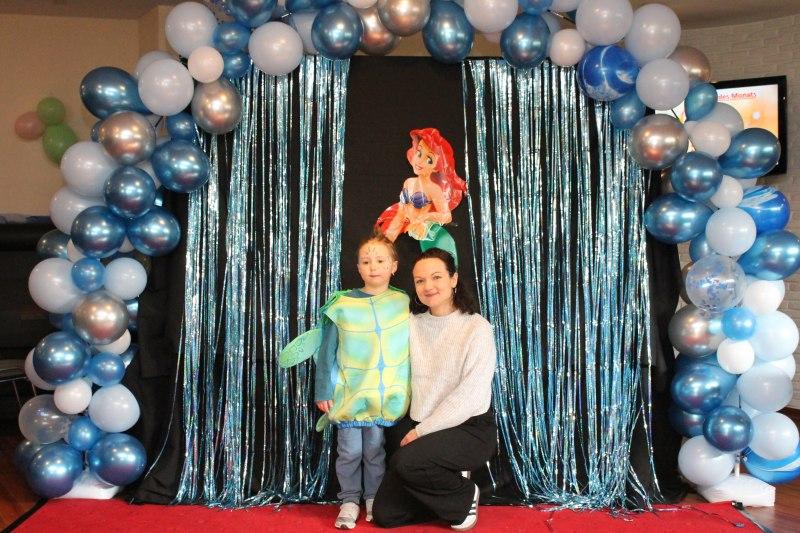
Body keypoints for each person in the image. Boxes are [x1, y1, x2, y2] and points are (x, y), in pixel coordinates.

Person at [372, 248, 497, 531]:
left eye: (436, 277)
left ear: (454, 279)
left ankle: (464, 495)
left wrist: (421, 432)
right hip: (420, 424)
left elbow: (471, 396)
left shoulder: (477, 328)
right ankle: (445, 482)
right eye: (420, 281)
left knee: (406, 462)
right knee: (386, 515)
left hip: (468, 428)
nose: (428, 286)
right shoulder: (411, 323)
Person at [312, 234, 411, 529]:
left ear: (394, 266)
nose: (373, 266)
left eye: (380, 260)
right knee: (349, 451)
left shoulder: (401, 302)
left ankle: (373, 498)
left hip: (381, 396)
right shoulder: (343, 304)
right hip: (349, 393)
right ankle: (349, 500)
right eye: (366, 262)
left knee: (375, 451)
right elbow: (327, 350)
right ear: (357, 267)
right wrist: (323, 388)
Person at [376, 128, 467, 242]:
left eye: (429, 160)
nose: (420, 161)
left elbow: (447, 216)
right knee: (382, 242)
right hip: (400, 225)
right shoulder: (408, 182)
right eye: (419, 153)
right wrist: (391, 232)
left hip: (418, 233)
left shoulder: (434, 189)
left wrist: (425, 217)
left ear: (436, 166)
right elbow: (401, 211)